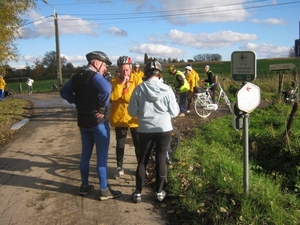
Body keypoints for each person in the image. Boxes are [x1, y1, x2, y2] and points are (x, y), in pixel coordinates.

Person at [60, 51, 122, 200]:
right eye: (104, 65)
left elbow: (63, 92)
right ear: (95, 62)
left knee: (85, 155)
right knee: (101, 156)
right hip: (98, 123)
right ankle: (103, 190)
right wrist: (101, 107)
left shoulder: (76, 77)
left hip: (83, 122)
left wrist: (76, 101)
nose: (105, 68)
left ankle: (85, 186)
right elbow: (107, 89)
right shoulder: (95, 76)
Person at [128, 61, 180, 203]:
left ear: (145, 74)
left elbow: (131, 111)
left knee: (143, 159)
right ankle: (159, 192)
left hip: (145, 129)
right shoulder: (167, 90)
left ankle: (138, 192)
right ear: (160, 74)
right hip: (164, 128)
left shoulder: (139, 89)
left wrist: (143, 112)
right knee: (161, 158)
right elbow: (175, 112)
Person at [109, 56, 142, 179]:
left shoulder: (138, 80)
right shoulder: (114, 81)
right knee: (120, 143)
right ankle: (119, 166)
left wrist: (124, 94)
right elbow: (112, 97)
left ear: (131, 68)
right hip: (120, 117)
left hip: (134, 118)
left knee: (138, 144)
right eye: (122, 70)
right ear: (118, 69)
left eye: (127, 69)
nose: (125, 72)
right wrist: (122, 84)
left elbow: (135, 99)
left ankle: (140, 166)